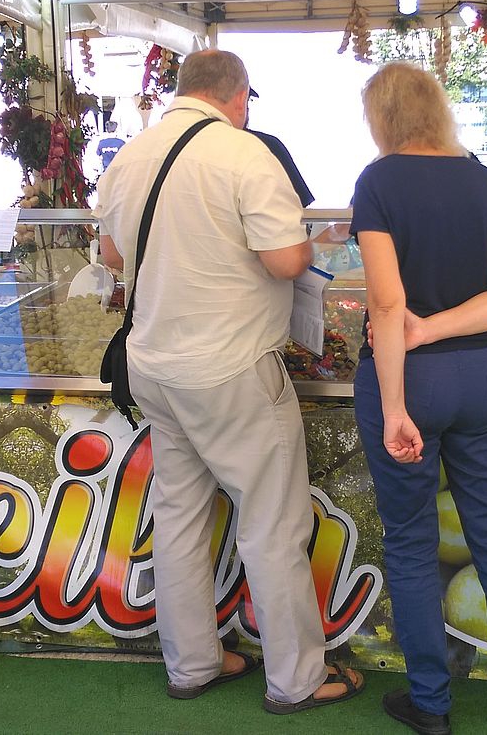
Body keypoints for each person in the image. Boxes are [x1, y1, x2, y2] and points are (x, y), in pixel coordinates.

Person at [92, 49, 364, 715]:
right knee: (271, 525)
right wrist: (300, 248)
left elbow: (109, 255)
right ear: (239, 96)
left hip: (154, 367)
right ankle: (296, 680)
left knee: (180, 514)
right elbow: (284, 260)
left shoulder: (129, 156)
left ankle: (192, 665)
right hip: (232, 368)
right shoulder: (244, 156)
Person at [349, 63, 487, 735]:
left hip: (410, 379)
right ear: (437, 110)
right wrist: (441, 326)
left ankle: (431, 705)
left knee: (410, 543)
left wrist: (397, 400)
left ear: (380, 117)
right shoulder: (482, 179)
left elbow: (386, 302)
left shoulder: (378, 183)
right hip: (484, 377)